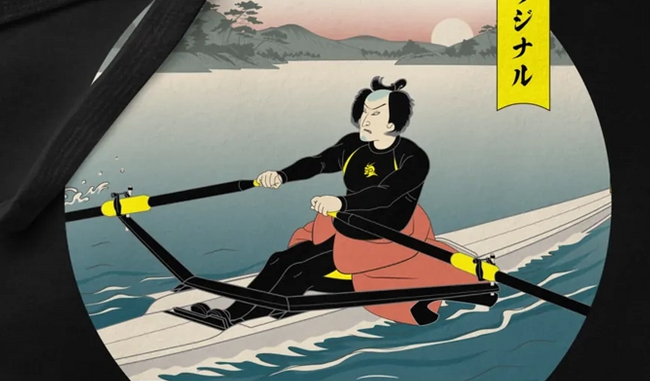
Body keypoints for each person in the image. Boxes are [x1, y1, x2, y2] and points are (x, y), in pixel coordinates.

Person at [172, 76, 459, 331]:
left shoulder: (412, 158)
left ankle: (233, 317)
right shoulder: (353, 145)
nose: (365, 119)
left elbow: (386, 193)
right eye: (364, 112)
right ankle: (238, 311)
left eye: (375, 114)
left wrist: (341, 203)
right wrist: (282, 175)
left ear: (392, 123)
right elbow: (318, 162)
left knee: (298, 269)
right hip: (349, 229)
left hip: (385, 239)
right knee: (280, 260)